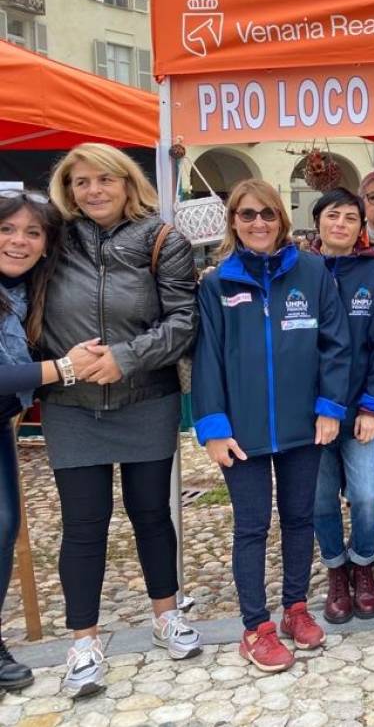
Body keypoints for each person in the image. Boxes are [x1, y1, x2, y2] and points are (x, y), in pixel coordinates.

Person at [43, 144, 200, 698]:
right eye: (81, 182)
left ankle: (166, 614)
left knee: (152, 514)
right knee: (83, 527)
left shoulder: (163, 240)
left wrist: (126, 357)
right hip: (71, 404)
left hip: (145, 399)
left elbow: (184, 321)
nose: (94, 191)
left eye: (105, 179)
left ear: (128, 182)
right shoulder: (52, 238)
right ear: (68, 188)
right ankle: (83, 642)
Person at [192, 180, 351, 674]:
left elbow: (336, 344)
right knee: (252, 526)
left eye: (266, 214)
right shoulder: (218, 283)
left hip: (304, 425)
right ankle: (256, 626)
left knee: (301, 519)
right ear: (233, 222)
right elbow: (207, 359)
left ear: (281, 219)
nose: (257, 223)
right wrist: (213, 427)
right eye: (246, 215)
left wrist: (330, 407)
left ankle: (295, 609)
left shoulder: (313, 270)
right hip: (243, 431)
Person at [0, 191, 103, 696]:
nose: (19, 241)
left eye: (32, 233)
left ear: (46, 246)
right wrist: (64, 368)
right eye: (8, 229)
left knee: (3, 526)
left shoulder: (25, 294)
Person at [308, 189, 374, 624]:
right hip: (308, 414)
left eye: (351, 217)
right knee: (319, 498)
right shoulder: (300, 270)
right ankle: (335, 570)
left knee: (367, 494)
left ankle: (363, 563)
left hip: (361, 409)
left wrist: (373, 407)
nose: (342, 224)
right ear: (318, 222)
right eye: (333, 215)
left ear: (361, 227)